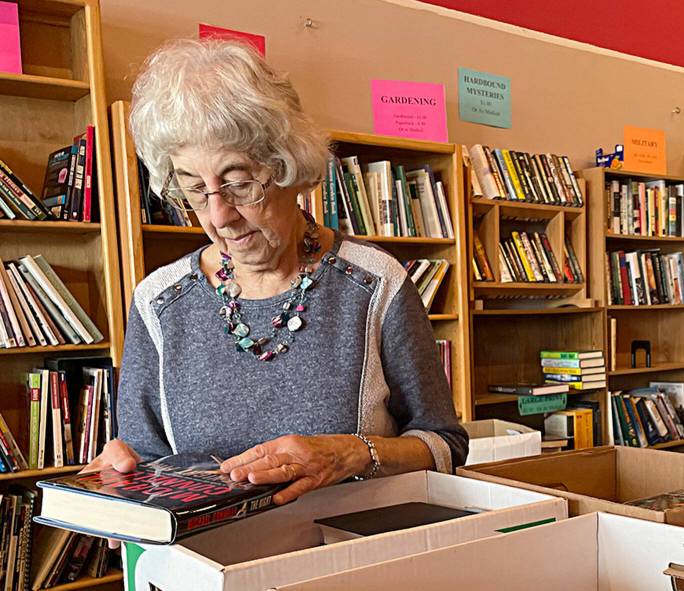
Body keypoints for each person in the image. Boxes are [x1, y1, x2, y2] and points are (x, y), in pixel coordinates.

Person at [82, 39, 467, 507]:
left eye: (238, 183)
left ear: (286, 166)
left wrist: (351, 454)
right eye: (194, 190)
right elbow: (145, 460)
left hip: (348, 561)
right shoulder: (159, 301)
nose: (219, 215)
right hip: (209, 568)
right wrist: (122, 473)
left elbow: (445, 446)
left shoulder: (375, 284)